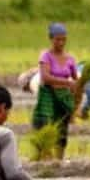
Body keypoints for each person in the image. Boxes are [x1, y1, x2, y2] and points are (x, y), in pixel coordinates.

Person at [32, 23, 78, 159]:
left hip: (63, 97)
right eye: (58, 39)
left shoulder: (70, 59)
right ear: (51, 39)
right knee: (46, 124)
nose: (61, 42)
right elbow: (45, 77)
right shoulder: (45, 56)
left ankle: (59, 160)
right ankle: (46, 157)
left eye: (64, 39)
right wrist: (66, 82)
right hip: (48, 95)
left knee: (62, 128)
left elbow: (76, 79)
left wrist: (78, 90)